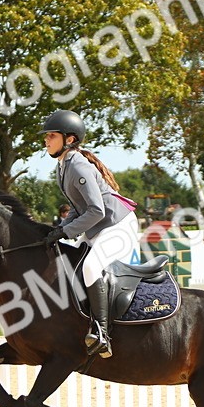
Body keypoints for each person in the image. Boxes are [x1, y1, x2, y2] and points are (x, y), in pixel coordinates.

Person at [40, 109, 140, 358]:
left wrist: (67, 231)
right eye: (47, 137)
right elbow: (79, 208)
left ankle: (102, 333)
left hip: (119, 227)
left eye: (51, 136)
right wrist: (60, 230)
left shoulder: (79, 166)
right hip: (99, 227)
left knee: (90, 268)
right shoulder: (63, 167)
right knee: (71, 265)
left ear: (69, 139)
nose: (46, 140)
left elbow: (96, 210)